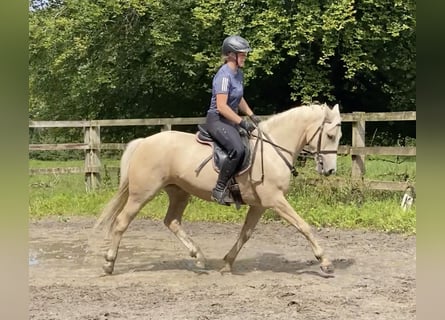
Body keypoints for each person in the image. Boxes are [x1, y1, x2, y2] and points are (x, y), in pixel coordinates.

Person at [205, 35, 261, 205]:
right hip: (218, 120)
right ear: (231, 55)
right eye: (242, 54)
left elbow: (238, 98)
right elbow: (222, 106)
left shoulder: (238, 74)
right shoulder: (223, 76)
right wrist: (241, 122)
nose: (245, 57)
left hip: (229, 120)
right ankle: (220, 188)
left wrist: (251, 115)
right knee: (237, 149)